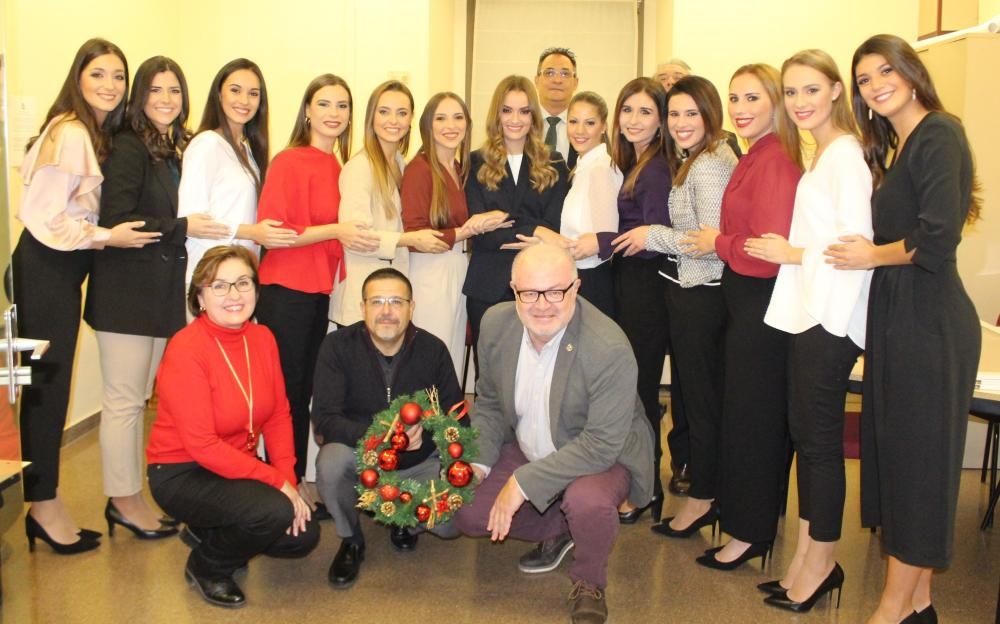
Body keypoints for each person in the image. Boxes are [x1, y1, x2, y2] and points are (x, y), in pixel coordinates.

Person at [828, 34, 981, 624]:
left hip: (931, 322)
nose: (874, 85)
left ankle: (890, 609)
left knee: (918, 470)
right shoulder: (898, 146)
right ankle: (919, 606)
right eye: (864, 79)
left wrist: (871, 255)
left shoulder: (940, 132)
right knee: (898, 463)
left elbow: (937, 241)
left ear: (911, 72)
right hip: (900, 318)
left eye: (884, 71)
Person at [14, 38, 162, 555]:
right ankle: (43, 507)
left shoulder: (86, 132)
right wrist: (109, 236)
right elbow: (45, 219)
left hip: (59, 267)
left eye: (118, 77)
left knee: (48, 386)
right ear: (78, 77)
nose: (110, 86)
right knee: (46, 392)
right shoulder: (72, 131)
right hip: (45, 264)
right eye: (99, 74)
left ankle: (44, 502)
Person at [454, 243, 653, 624]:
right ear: (513, 290)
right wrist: (476, 461)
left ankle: (589, 579)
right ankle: (565, 527)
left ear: (576, 288)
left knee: (588, 502)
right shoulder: (496, 325)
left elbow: (601, 444)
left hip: (600, 455)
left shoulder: (608, 347)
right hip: (531, 442)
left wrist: (522, 484)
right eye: (529, 293)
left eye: (555, 292)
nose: (542, 304)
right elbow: (491, 403)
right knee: (467, 510)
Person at [743, 49, 872, 612]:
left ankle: (821, 563)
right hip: (809, 311)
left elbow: (856, 246)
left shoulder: (846, 156)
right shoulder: (821, 155)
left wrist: (792, 252)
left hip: (831, 316)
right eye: (791, 92)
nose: (799, 102)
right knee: (806, 436)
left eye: (810, 90)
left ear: (837, 91)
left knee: (819, 445)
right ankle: (806, 558)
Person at [86, 56, 228, 540]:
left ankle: (133, 496)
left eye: (174, 91)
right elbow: (118, 219)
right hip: (125, 295)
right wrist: (181, 227)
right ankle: (124, 501)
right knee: (124, 401)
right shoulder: (128, 147)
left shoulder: (172, 150)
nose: (166, 100)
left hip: (159, 296)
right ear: (139, 98)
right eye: (155, 91)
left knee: (143, 399)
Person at [147, 245, 318, 609]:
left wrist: (287, 477)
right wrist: (277, 485)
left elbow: (277, 414)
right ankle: (207, 565)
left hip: (232, 466)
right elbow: (203, 446)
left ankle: (209, 527)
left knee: (302, 535)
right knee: (273, 513)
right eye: (219, 286)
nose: (234, 294)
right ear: (200, 297)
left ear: (257, 289)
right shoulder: (186, 348)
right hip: (181, 472)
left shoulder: (263, 338)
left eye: (242, 283)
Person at [682, 63, 801, 570]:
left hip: (760, 300)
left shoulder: (774, 161)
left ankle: (750, 533)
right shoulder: (756, 155)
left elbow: (765, 251)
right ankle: (743, 522)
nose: (740, 109)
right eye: (734, 99)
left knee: (753, 422)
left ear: (775, 102)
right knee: (742, 416)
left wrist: (717, 242)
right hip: (744, 298)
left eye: (752, 98)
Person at [612, 75, 737, 538]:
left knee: (693, 403)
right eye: (675, 114)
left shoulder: (703, 165)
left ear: (710, 115)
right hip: (678, 288)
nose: (681, 123)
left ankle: (695, 497)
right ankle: (688, 494)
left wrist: (651, 236)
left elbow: (705, 241)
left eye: (690, 114)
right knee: (687, 399)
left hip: (696, 291)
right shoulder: (689, 159)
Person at [255, 74, 380, 484]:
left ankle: (294, 480)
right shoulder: (289, 160)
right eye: (324, 104)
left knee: (305, 391)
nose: (334, 113)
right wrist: (336, 231)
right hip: (285, 290)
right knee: (287, 394)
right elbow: (276, 233)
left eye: (342, 106)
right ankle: (284, 483)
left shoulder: (338, 166)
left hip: (316, 293)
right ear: (307, 110)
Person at [312, 268, 464, 588]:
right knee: (330, 462)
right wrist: (384, 437)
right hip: (361, 460)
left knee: (453, 520)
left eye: (396, 301)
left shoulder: (433, 350)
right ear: (362, 307)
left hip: (418, 462)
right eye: (377, 301)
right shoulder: (337, 346)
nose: (386, 311)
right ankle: (352, 539)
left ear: (412, 307)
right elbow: (325, 419)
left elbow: (455, 418)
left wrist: (449, 462)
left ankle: (404, 522)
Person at [595, 77, 673, 518]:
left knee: (641, 390)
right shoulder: (636, 162)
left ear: (660, 120)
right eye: (628, 110)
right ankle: (639, 483)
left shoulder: (657, 168)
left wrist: (598, 241)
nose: (634, 120)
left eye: (645, 112)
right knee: (632, 388)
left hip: (647, 287)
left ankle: (646, 491)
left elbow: (654, 237)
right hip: (631, 284)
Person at [463, 75, 569, 369]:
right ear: (496, 114)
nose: (515, 119)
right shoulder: (474, 162)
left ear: (534, 116)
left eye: (524, 111)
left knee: (537, 375)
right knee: (491, 378)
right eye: (507, 110)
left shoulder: (555, 162)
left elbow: (555, 226)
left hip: (541, 287)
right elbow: (483, 234)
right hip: (487, 287)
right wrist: (535, 229)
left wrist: (515, 224)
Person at [401, 92, 509, 378]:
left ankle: (447, 421)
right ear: (428, 125)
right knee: (432, 356)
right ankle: (424, 422)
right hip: (431, 272)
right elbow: (415, 235)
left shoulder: (460, 168)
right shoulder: (420, 169)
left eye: (458, 117)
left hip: (458, 267)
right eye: (441, 118)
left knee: (451, 356)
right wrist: (469, 229)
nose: (451, 125)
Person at [329, 80, 448, 327]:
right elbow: (356, 239)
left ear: (411, 119)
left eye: (401, 113)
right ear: (371, 116)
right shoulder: (359, 167)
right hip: (361, 300)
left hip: (392, 294)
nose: (393, 120)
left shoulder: (403, 164)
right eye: (384, 112)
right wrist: (411, 239)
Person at [179, 58, 296, 284]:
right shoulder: (207, 143)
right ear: (219, 95)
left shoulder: (248, 151)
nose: (244, 100)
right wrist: (251, 232)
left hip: (241, 273)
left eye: (253, 94)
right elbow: (192, 222)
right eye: (235, 90)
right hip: (210, 276)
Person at [559, 91, 621, 319]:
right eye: (574, 121)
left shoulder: (600, 168)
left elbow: (605, 240)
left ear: (603, 126)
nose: (580, 131)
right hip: (579, 272)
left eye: (590, 123)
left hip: (592, 278)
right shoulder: (583, 165)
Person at [535, 47, 580, 166]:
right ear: (537, 80)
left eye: (565, 74)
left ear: (576, 82)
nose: (557, 80)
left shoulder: (587, 128)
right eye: (549, 73)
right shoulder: (521, 124)